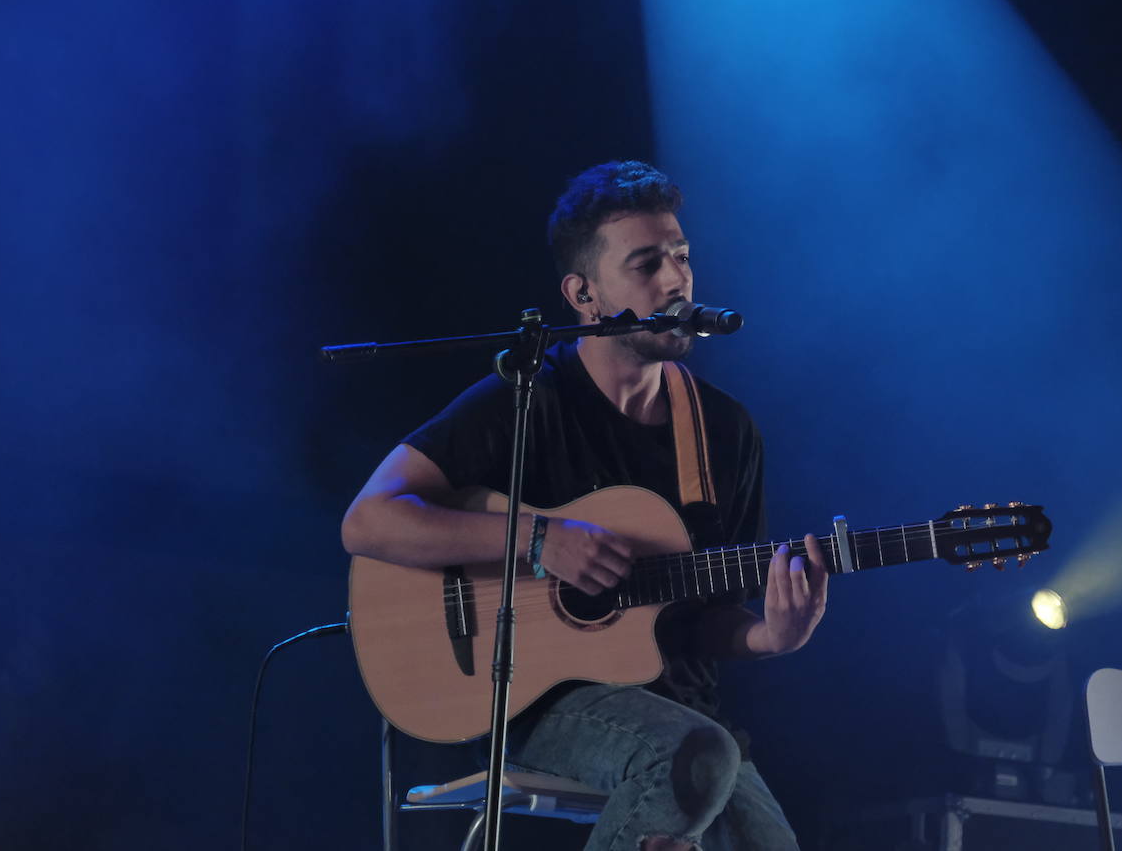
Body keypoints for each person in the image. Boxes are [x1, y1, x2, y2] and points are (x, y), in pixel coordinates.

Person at [342, 160, 828, 851]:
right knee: (689, 757)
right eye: (646, 263)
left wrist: (773, 636)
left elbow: (703, 621)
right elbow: (367, 519)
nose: (676, 280)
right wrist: (537, 538)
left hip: (686, 716)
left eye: (682, 257)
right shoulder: (528, 397)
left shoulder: (725, 432)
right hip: (535, 702)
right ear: (585, 293)